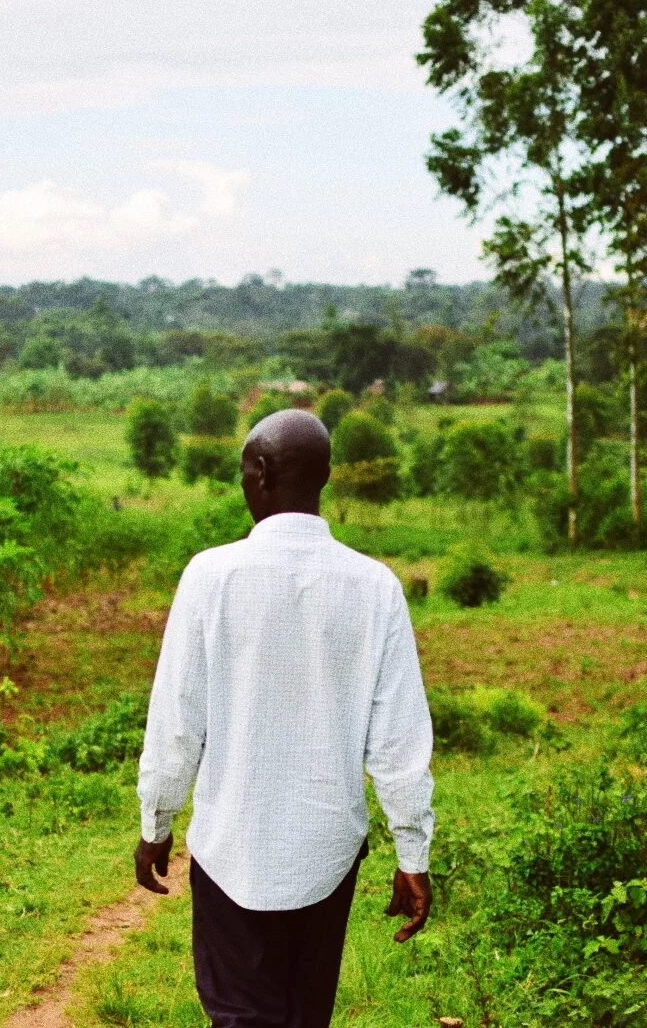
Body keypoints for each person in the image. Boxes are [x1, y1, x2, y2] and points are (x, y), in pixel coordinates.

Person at [134, 408, 435, 1028]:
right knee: (305, 1016)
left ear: (263, 473)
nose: (244, 484)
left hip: (231, 848)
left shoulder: (209, 577)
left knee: (241, 1014)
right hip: (327, 851)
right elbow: (399, 745)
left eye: (245, 472)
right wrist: (413, 854)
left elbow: (177, 723)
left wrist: (156, 821)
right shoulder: (375, 587)